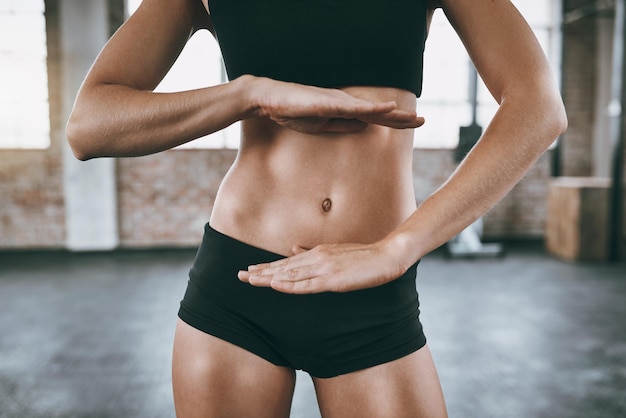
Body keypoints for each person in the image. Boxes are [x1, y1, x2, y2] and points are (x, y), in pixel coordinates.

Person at [66, 0, 567, 416]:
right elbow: (89, 125)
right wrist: (249, 94)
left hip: (371, 292)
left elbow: (538, 106)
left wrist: (399, 248)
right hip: (240, 285)